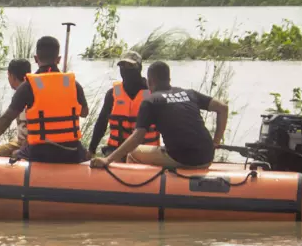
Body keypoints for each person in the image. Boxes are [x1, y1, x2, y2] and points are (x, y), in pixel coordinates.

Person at [0, 36, 89, 163]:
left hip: (40, 152)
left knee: (16, 153)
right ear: (59, 59)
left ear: (35, 59)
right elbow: (84, 113)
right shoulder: (73, 84)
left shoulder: (28, 86)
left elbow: (6, 118)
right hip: (72, 151)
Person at [91, 61, 228, 170]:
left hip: (183, 159)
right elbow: (223, 107)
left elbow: (137, 137)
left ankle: (139, 195)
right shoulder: (189, 93)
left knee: (133, 153)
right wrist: (215, 141)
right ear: (169, 79)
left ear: (150, 81)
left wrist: (107, 160)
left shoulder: (151, 100)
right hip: (208, 157)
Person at [87, 51, 160, 158]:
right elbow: (101, 123)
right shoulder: (112, 94)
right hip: (116, 150)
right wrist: (91, 149)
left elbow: (168, 125)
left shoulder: (153, 93)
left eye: (130, 66)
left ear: (139, 68)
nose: (125, 69)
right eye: (122, 66)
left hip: (146, 150)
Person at [0, 58, 31, 158]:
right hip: (25, 142)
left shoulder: (22, 95)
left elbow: (27, 134)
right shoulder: (34, 90)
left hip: (26, 145)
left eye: (8, 76)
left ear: (12, 76)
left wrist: (21, 152)